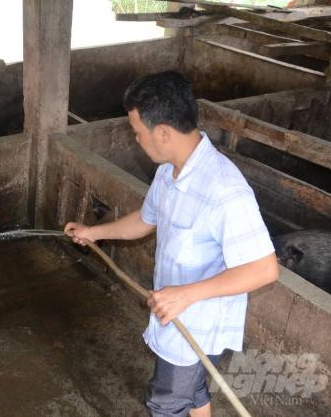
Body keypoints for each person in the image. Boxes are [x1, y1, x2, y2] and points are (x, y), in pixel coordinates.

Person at [64, 71, 279, 417]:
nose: (136, 140)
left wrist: (186, 294)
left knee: (167, 402)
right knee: (193, 389)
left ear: (163, 133)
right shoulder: (169, 170)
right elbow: (147, 220)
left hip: (198, 324)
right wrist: (94, 232)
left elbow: (264, 268)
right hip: (177, 310)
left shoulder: (225, 190)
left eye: (137, 132)